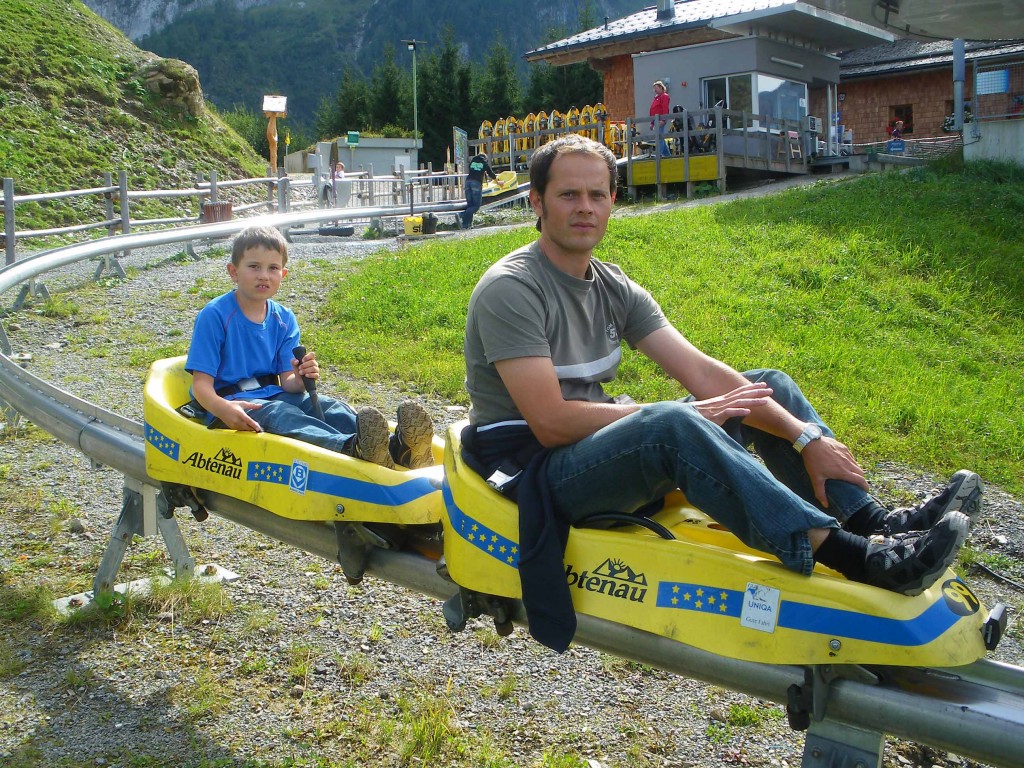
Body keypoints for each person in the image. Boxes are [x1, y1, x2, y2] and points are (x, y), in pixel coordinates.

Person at [462, 134, 981, 651]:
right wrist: (672, 413)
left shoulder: (610, 285)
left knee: (766, 388)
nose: (585, 208)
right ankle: (858, 558)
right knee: (672, 424)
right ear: (536, 201)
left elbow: (704, 374)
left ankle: (873, 523)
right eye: (568, 195)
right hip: (534, 468)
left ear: (613, 202)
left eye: (597, 195)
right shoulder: (513, 288)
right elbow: (549, 421)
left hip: (588, 448)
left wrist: (806, 438)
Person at [185, 225, 434, 470]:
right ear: (233, 271)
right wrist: (224, 410)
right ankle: (350, 447)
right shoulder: (215, 316)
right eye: (254, 267)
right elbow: (201, 387)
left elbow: (288, 383)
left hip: (273, 393)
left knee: (329, 406)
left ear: (283, 275)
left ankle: (399, 448)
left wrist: (302, 378)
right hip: (233, 403)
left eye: (272, 268)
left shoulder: (284, 318)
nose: (264, 275)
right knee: (282, 414)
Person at [462, 151, 498, 230]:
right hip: (476, 183)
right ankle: (462, 215)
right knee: (476, 206)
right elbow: (491, 173)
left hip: (467, 182)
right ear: (485, 158)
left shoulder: (473, 161)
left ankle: (466, 225)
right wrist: (498, 182)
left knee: (470, 205)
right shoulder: (484, 162)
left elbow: (471, 170)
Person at [649, 80, 671, 157]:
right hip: (655, 119)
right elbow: (653, 110)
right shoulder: (656, 98)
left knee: (659, 137)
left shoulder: (664, 96)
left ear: (661, 87)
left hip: (660, 119)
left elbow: (665, 108)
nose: (655, 90)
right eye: (654, 88)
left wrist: (663, 119)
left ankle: (659, 154)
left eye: (656, 88)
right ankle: (668, 156)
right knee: (660, 137)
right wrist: (652, 123)